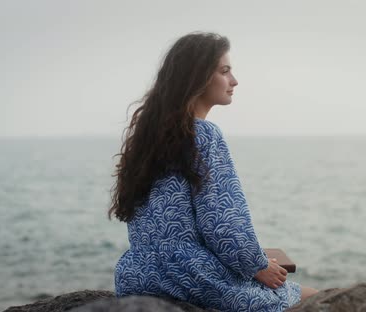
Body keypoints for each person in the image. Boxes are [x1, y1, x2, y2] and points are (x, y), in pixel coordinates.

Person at [109, 32, 319, 311]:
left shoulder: (148, 138)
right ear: (197, 77)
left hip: (137, 275)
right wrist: (257, 266)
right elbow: (221, 223)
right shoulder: (204, 135)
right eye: (225, 71)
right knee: (315, 298)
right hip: (190, 276)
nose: (234, 81)